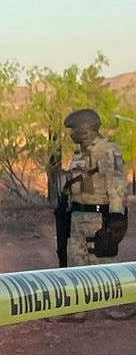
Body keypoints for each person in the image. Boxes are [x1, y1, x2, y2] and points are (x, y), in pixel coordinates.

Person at [57, 108, 130, 319]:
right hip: (77, 216)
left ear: (85, 129)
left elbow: (116, 183)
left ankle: (116, 306)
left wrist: (116, 214)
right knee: (75, 262)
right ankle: (76, 310)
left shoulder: (108, 150)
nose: (71, 134)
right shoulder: (80, 154)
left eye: (73, 129)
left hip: (98, 217)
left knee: (104, 261)